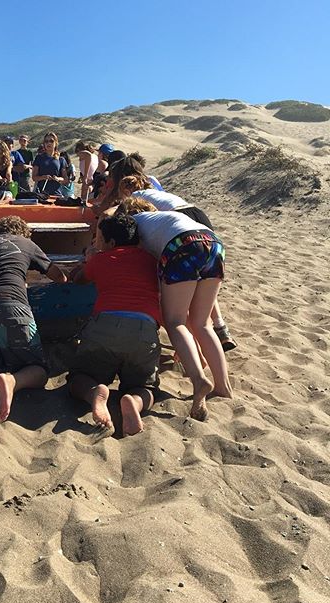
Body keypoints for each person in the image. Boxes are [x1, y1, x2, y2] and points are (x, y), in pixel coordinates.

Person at [120, 199, 233, 420]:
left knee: (175, 321)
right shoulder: (162, 218)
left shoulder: (133, 222)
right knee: (203, 323)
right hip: (214, 242)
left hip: (182, 245)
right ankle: (223, 387)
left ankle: (199, 380)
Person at [0, 216, 67, 442]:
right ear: (23, 233)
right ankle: (13, 382)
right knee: (38, 369)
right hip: (11, 307)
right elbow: (59, 275)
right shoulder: (27, 244)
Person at [118, 174, 237, 352]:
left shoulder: (136, 202)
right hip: (199, 222)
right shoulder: (155, 191)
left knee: (176, 314)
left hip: (179, 232)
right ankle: (220, 327)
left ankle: (193, 349)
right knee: (201, 282)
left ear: (127, 191)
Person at [67, 212, 161, 436]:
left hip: (105, 325)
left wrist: (90, 260)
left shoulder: (103, 259)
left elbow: (77, 278)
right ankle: (133, 401)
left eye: (99, 239)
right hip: (145, 329)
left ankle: (94, 393)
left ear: (110, 242)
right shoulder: (151, 259)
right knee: (146, 387)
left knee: (78, 378)